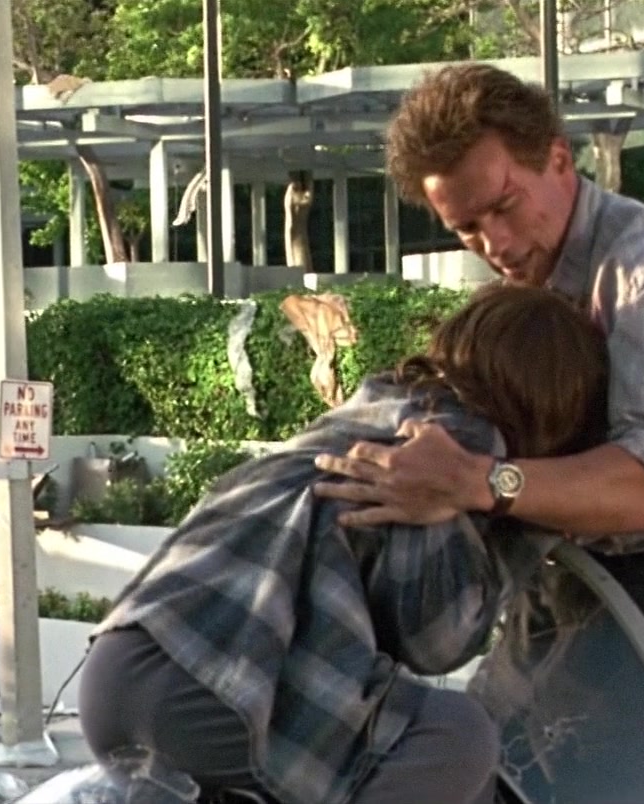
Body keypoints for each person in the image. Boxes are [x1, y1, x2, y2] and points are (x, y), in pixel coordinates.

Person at [311, 63, 644, 804]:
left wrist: (480, 482)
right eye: (467, 228)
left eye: (505, 206)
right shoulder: (536, 285)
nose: (496, 243)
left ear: (560, 159)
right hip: (560, 594)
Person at [78, 283, 610, 804]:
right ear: (553, 410)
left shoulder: (370, 410)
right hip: (218, 693)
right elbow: (434, 638)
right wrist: (531, 518)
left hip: (120, 669)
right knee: (455, 737)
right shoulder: (447, 446)